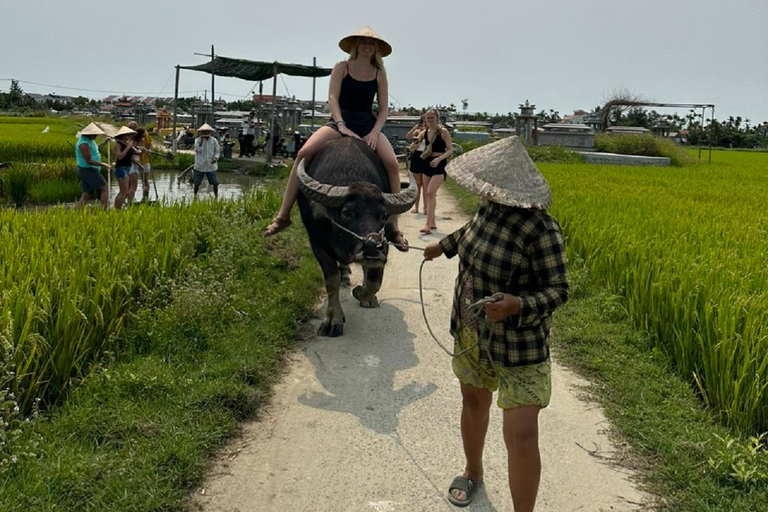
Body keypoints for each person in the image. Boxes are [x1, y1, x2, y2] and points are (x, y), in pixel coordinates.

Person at [422, 136, 569, 511]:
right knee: (473, 400)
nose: (486, 193)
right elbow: (473, 233)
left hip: (519, 344)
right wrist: (445, 246)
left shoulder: (542, 230)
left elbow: (558, 291)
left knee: (520, 434)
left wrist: (518, 304)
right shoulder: (489, 209)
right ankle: (473, 472)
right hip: (474, 329)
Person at [263, 26, 409, 252]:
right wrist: (340, 124)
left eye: (372, 44)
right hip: (340, 121)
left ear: (376, 49)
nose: (367, 47)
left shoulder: (379, 74)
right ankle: (283, 215)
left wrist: (374, 132)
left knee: (391, 164)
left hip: (367, 125)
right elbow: (332, 97)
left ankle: (393, 227)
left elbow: (383, 110)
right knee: (303, 153)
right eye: (363, 43)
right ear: (356, 46)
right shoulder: (342, 67)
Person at [417, 108, 453, 234]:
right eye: (428, 118)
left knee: (431, 192)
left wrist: (439, 159)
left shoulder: (443, 132)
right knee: (428, 194)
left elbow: (450, 150)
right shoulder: (425, 132)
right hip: (427, 163)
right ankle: (432, 222)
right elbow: (416, 142)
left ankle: (427, 225)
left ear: (437, 118)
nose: (430, 120)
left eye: (432, 118)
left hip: (439, 164)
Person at [75, 122, 111, 208]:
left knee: (87, 193)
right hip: (87, 169)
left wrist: (105, 142)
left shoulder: (90, 141)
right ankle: (104, 210)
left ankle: (77, 211)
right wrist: (103, 164)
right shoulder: (83, 144)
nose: (96, 136)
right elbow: (89, 160)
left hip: (90, 169)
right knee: (104, 188)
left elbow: (96, 150)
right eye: (94, 134)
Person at [112, 125, 139, 210]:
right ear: (123, 135)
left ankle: (117, 208)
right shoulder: (118, 144)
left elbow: (137, 152)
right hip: (121, 168)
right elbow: (119, 156)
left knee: (124, 192)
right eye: (127, 134)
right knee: (124, 192)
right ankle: (118, 209)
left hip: (127, 168)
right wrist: (127, 148)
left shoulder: (127, 143)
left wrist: (141, 150)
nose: (129, 136)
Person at [193, 123, 220, 199]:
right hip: (200, 165)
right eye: (204, 132)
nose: (205, 133)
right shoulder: (197, 140)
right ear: (201, 132)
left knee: (215, 183)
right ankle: (195, 196)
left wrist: (215, 158)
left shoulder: (214, 141)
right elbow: (197, 150)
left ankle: (216, 197)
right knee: (196, 183)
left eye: (207, 132)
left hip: (211, 166)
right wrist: (201, 142)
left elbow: (217, 151)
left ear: (210, 132)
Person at [406, 116, 426, 214]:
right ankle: (416, 207)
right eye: (422, 122)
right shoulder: (417, 131)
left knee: (426, 184)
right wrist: (415, 129)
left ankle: (426, 207)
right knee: (418, 184)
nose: (424, 124)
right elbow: (408, 137)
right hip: (417, 155)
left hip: (427, 155)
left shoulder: (432, 131)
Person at [128, 121, 153, 201]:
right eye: (131, 128)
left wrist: (148, 151)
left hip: (144, 160)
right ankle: (131, 199)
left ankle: (145, 197)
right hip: (133, 162)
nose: (132, 130)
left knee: (144, 179)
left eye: (134, 128)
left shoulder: (144, 134)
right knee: (131, 181)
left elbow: (149, 145)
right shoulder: (127, 136)